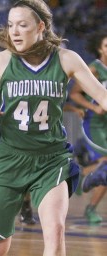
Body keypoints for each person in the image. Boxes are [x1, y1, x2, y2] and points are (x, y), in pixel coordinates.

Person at [0, 1, 107, 255]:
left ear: (40, 26)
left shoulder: (66, 59)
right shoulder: (0, 62)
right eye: (10, 25)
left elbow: (102, 95)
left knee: (56, 233)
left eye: (22, 25)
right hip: (8, 159)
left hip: (50, 160)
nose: (14, 32)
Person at [70, 30, 107, 223]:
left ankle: (80, 176)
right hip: (95, 123)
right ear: (100, 49)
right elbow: (74, 93)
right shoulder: (94, 69)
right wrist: (94, 106)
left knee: (105, 170)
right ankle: (90, 205)